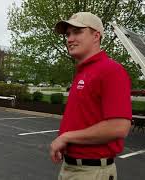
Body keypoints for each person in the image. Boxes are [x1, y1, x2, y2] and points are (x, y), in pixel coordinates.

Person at [50, 12, 132, 180]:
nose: (70, 39)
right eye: (68, 34)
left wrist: (66, 137)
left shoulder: (111, 70)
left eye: (77, 31)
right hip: (72, 168)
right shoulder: (84, 72)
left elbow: (119, 127)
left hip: (91, 173)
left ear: (96, 36)